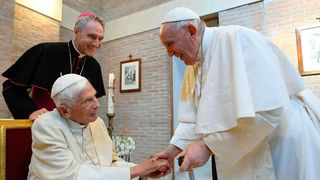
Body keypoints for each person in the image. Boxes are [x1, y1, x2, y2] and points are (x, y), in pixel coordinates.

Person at [153, 7, 320, 179]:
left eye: (170, 43)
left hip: (280, 143)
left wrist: (208, 146)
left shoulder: (238, 39)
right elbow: (193, 119)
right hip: (245, 148)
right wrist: (172, 150)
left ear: (191, 31)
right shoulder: (194, 63)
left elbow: (268, 111)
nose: (170, 53)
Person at [27, 74, 169, 180]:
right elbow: (70, 176)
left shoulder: (97, 122)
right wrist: (136, 171)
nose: (97, 104)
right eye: (88, 101)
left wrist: (142, 173)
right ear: (65, 111)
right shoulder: (46, 126)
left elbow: (111, 161)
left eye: (94, 97)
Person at [2, 12, 106, 119]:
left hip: (76, 129)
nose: (96, 43)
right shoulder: (45, 51)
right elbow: (11, 87)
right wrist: (30, 112)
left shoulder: (94, 66)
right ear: (76, 32)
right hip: (43, 125)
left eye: (100, 39)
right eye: (92, 37)